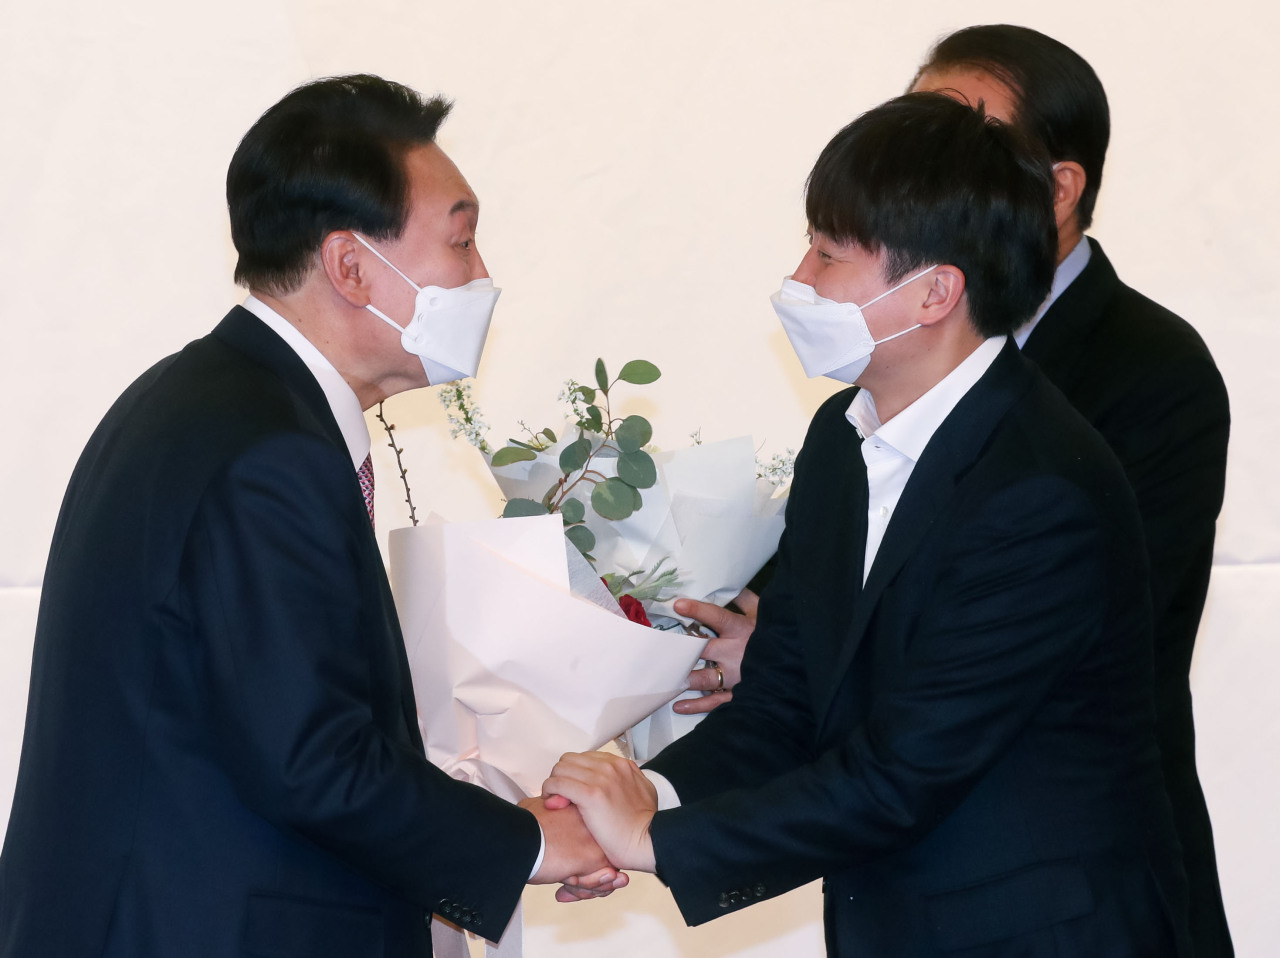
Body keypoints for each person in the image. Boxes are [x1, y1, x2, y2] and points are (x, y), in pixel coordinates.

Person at [546, 92, 1192, 956]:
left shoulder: (1039, 489)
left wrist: (655, 843)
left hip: (1034, 934)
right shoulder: (842, 438)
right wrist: (645, 796)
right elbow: (787, 701)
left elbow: (904, 771)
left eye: (828, 255)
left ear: (934, 293)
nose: (798, 281)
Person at [0, 74, 616, 958]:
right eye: (463, 241)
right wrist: (525, 843)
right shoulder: (267, 453)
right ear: (352, 265)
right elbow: (312, 761)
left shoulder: (199, 398)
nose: (482, 276)